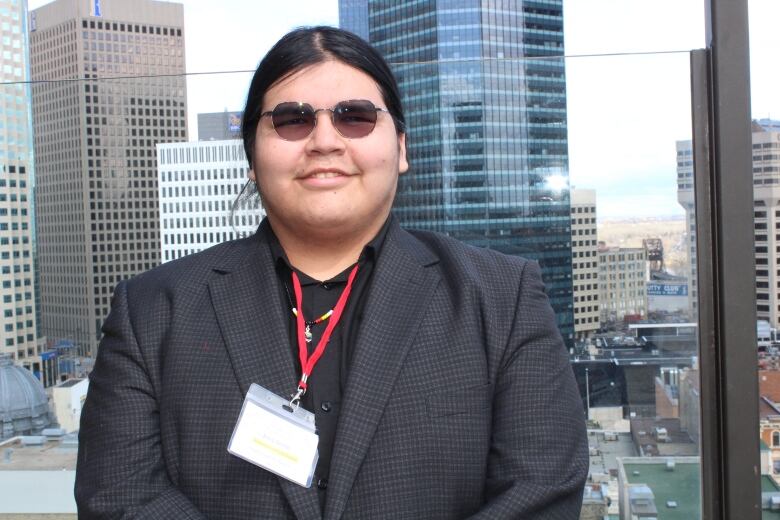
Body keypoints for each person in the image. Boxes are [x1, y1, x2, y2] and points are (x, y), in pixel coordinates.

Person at [75, 26, 588, 519]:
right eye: (293, 120)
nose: (325, 140)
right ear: (252, 158)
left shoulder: (502, 299)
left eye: (355, 116)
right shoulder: (152, 311)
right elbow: (118, 499)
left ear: (402, 148)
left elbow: (539, 494)